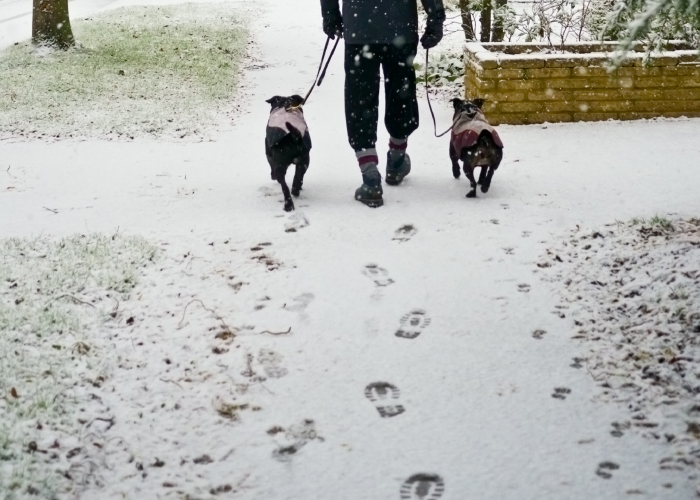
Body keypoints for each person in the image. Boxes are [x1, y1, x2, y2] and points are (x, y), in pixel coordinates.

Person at [320, 0, 445, 208]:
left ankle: (370, 176)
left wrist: (331, 15)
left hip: (360, 30)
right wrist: (435, 18)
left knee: (360, 100)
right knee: (401, 93)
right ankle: (396, 160)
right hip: (400, 28)